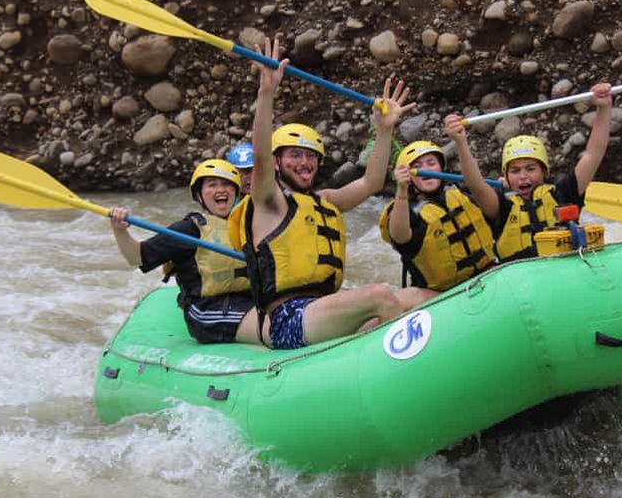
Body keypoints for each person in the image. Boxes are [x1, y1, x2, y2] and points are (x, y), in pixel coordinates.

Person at [228, 34, 429, 349]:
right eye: (294, 155)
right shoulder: (270, 200)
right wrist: (267, 92)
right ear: (278, 163)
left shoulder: (325, 201)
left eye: (310, 156)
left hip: (324, 310)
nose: (305, 163)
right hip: (289, 320)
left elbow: (371, 183)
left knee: (420, 296)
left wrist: (384, 129)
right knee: (379, 296)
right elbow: (261, 154)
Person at [445, 82, 613, 263]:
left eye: (530, 169)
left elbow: (593, 154)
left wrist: (604, 107)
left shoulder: (563, 192)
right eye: (515, 171)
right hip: (520, 279)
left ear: (544, 171)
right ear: (506, 177)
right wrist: (460, 142)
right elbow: (476, 185)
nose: (523, 176)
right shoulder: (501, 206)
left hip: (563, 270)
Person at [109, 159, 264, 344]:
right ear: (199, 195)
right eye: (212, 185)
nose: (220, 190)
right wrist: (119, 230)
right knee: (277, 325)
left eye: (226, 185)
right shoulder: (188, 230)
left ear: (236, 192)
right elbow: (137, 257)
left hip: (249, 301)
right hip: (207, 311)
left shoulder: (250, 225)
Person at [378, 138, 496, 298]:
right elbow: (400, 236)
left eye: (431, 163)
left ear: (441, 168)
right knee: (405, 297)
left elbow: (487, 196)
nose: (425, 169)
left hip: (486, 275)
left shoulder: (461, 195)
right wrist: (401, 188)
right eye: (417, 166)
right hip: (440, 294)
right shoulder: (407, 212)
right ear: (409, 176)